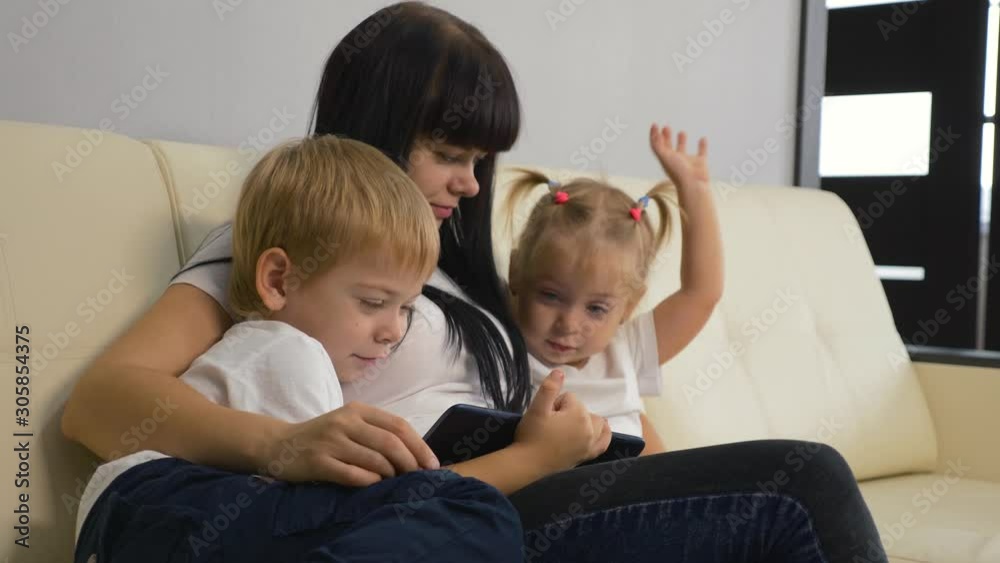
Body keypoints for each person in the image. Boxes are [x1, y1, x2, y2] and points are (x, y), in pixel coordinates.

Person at [61, 3, 890, 562]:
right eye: (449, 154)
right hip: (441, 515)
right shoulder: (301, 239)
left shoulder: (461, 269)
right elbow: (103, 399)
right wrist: (276, 444)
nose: (468, 183)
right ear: (379, 129)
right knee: (804, 483)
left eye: (479, 162)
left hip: (507, 494)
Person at [73, 136, 522, 562]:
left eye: (406, 307)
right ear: (276, 281)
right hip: (156, 502)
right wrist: (522, 463)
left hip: (166, 514)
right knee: (468, 514)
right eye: (372, 303)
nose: (393, 330)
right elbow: (354, 502)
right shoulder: (290, 354)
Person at [502, 124, 722, 457]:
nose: (569, 324)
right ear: (516, 272)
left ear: (628, 306)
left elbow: (701, 293)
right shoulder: (499, 341)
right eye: (550, 296)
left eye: (596, 309)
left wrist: (695, 189)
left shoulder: (625, 350)